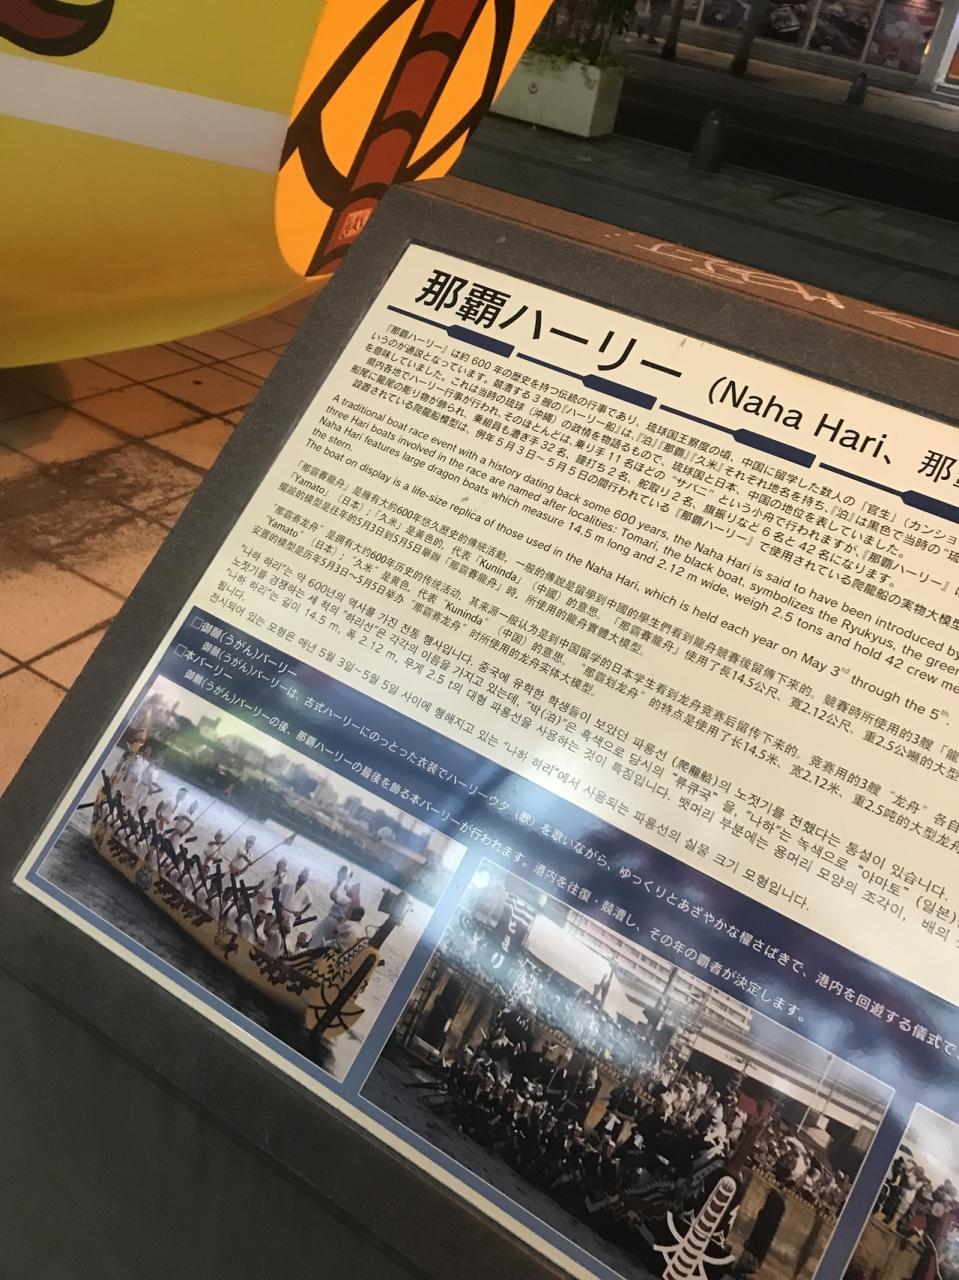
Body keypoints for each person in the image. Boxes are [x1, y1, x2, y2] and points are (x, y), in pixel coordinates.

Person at [313, 865, 356, 946]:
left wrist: (339, 883)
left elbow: (332, 895)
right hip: (334, 922)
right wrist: (347, 880)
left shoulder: (347, 900)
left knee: (317, 941)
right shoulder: (350, 900)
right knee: (319, 942)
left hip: (332, 921)